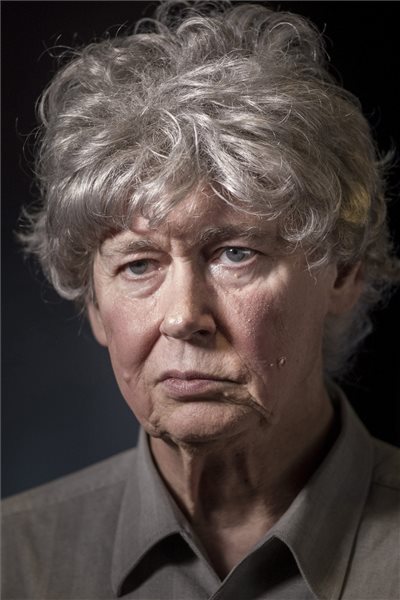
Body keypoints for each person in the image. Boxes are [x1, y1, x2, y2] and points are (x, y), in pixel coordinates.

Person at [2, 1, 400, 598]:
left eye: (235, 253)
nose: (183, 316)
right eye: (139, 264)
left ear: (343, 271)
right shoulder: (13, 560)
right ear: (94, 306)